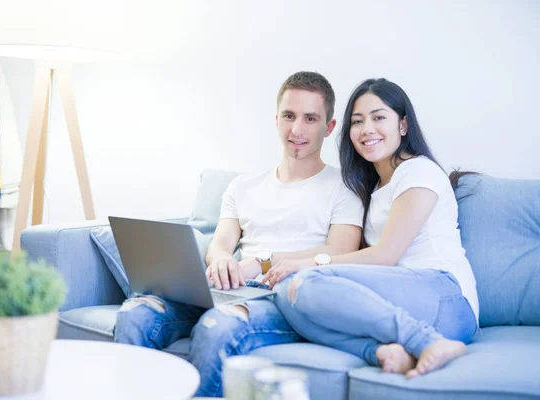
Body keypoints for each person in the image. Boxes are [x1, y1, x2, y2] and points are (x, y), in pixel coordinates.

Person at [114, 71, 364, 396]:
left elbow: (339, 255)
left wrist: (259, 264)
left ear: (328, 127)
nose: (296, 129)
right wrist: (220, 263)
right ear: (276, 119)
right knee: (136, 312)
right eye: (289, 116)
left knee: (216, 327)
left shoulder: (344, 188)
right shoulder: (243, 186)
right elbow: (220, 245)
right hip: (229, 289)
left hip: (283, 299)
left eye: (310, 119)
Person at [265, 78, 479, 379]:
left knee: (306, 282)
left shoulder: (419, 172)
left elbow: (385, 256)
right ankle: (381, 352)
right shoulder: (373, 188)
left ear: (403, 126)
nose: (367, 129)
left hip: (446, 298)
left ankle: (430, 342)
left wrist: (307, 264)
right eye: (357, 121)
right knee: (287, 293)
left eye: (379, 117)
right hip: (404, 303)